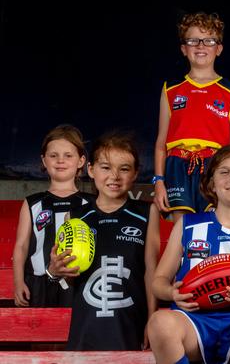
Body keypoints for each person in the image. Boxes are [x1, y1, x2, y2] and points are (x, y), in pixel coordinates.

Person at [148, 141, 230, 364]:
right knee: (159, 323)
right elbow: (158, 282)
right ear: (211, 183)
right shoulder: (187, 225)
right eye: (224, 172)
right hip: (192, 320)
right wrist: (172, 293)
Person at [48, 130, 160, 350]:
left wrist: (152, 320)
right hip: (87, 322)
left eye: (124, 169)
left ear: (136, 173)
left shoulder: (147, 212)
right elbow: (68, 277)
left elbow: (151, 271)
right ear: (91, 170)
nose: (115, 176)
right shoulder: (76, 216)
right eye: (106, 167)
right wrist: (55, 271)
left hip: (130, 321)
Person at [154, 11, 230, 221]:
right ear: (184, 49)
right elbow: (161, 143)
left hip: (215, 165)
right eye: (193, 41)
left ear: (218, 49)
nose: (201, 46)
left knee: (212, 225)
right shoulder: (171, 89)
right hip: (178, 164)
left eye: (209, 40)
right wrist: (158, 181)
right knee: (181, 227)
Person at [12, 124, 93, 307]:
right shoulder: (32, 203)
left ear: (81, 161)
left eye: (68, 155)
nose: (60, 161)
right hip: (38, 283)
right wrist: (18, 282)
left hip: (81, 282)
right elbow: (21, 245)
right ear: (44, 161)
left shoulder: (92, 203)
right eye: (53, 155)